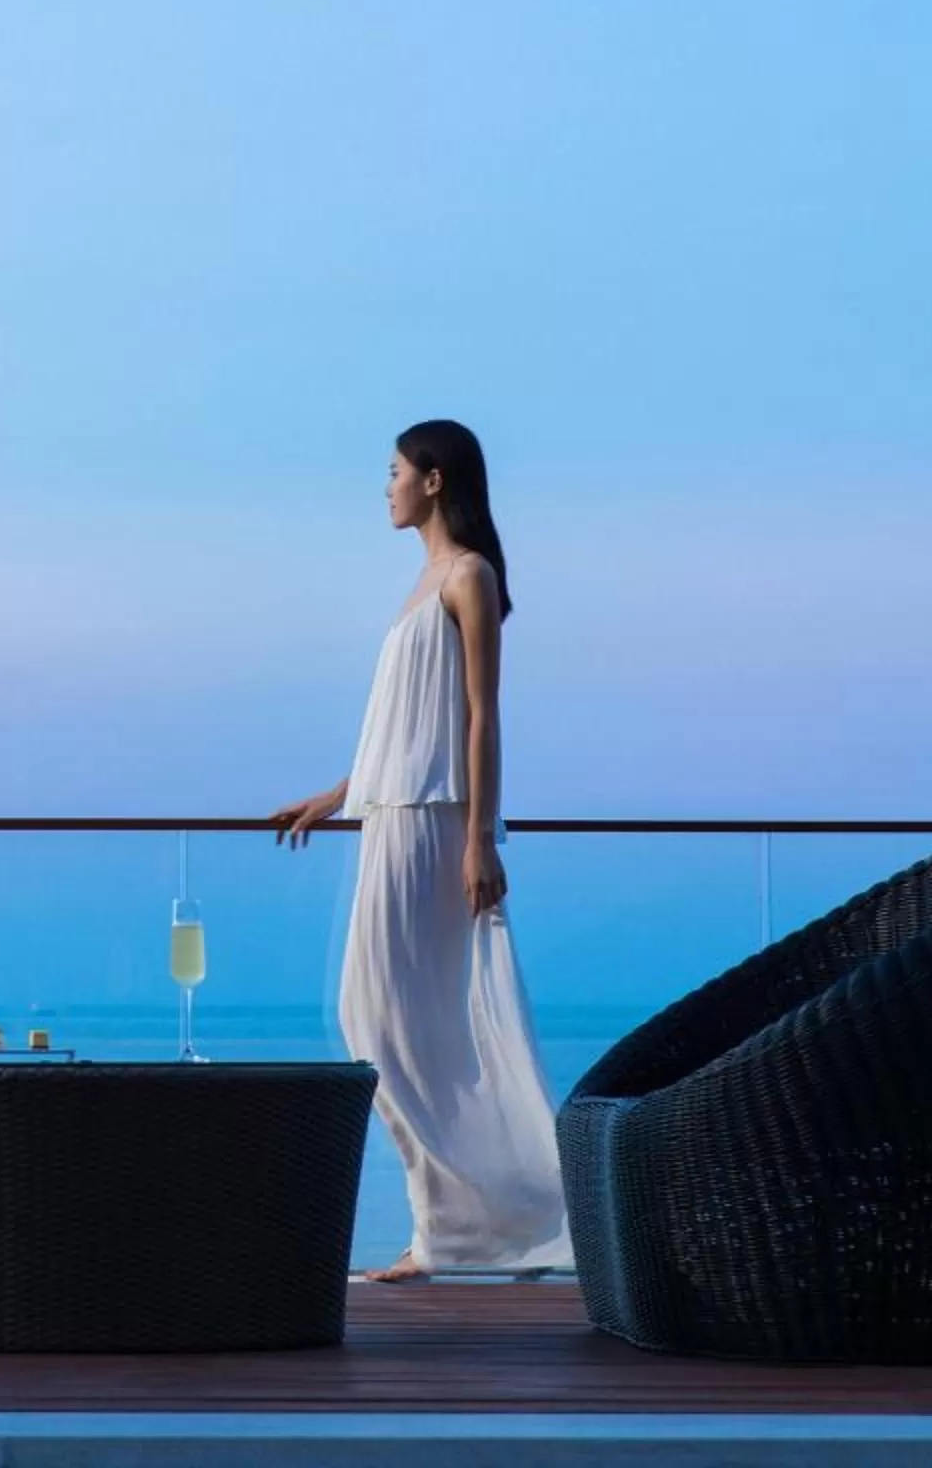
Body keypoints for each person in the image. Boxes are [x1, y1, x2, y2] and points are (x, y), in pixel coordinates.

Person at [272, 418, 571, 1277]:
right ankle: (454, 1227)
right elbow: (403, 724)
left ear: (434, 480)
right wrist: (336, 796)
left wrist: (480, 838)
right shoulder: (421, 584)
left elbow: (481, 716)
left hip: (437, 825)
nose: (387, 485)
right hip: (391, 817)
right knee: (381, 1020)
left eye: (396, 470)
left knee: (394, 1019)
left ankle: (489, 1221)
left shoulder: (469, 577)